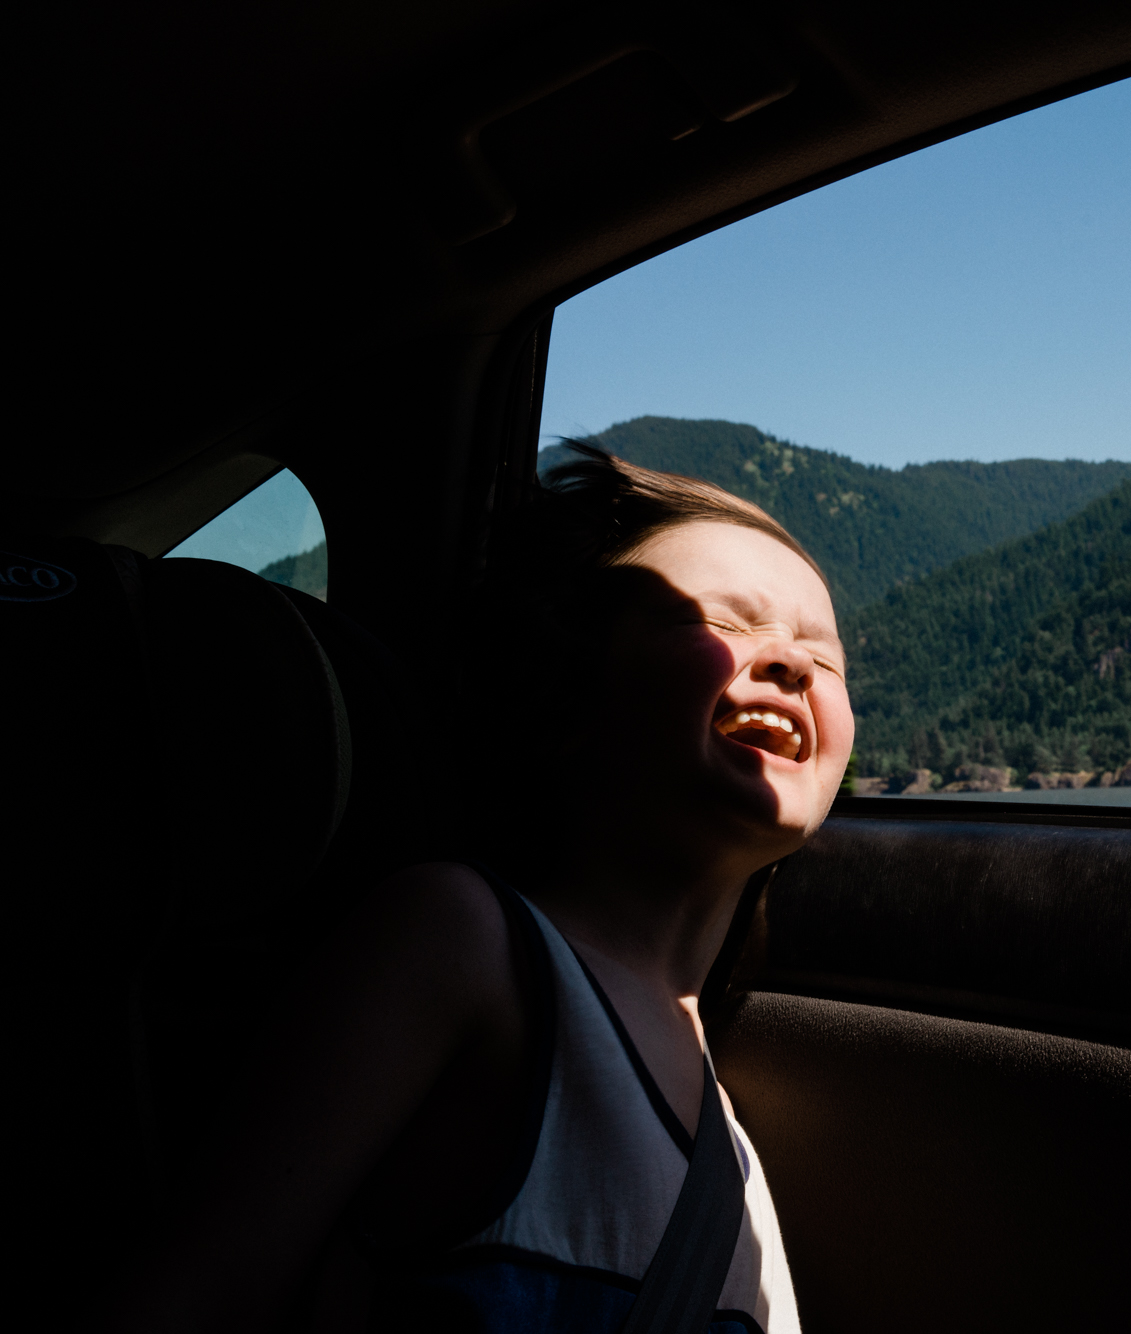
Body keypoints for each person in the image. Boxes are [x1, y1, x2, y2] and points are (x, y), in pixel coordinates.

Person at [117, 447, 852, 1334]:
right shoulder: (464, 943)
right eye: (725, 625)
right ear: (568, 691)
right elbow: (197, 1296)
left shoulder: (731, 1139)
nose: (792, 663)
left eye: (825, 652)